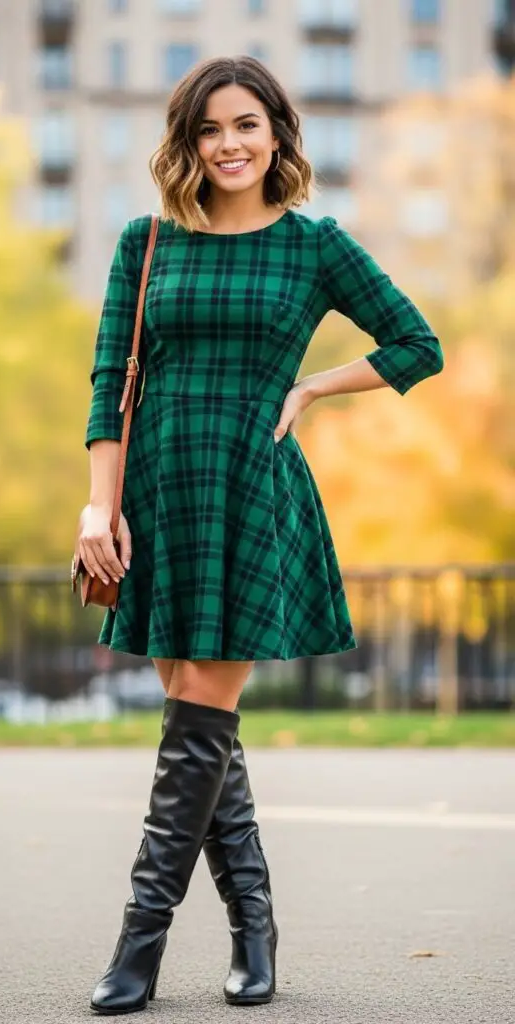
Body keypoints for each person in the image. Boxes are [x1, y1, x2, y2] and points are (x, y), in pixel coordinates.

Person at [77, 55, 444, 1015]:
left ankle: (137, 949)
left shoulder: (313, 247)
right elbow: (110, 381)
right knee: (205, 732)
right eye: (208, 128)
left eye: (246, 124)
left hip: (251, 490)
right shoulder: (145, 241)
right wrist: (97, 506)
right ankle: (255, 929)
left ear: (277, 131)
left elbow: (418, 343)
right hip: (159, 490)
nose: (228, 144)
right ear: (186, 142)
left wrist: (315, 386)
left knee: (197, 721)